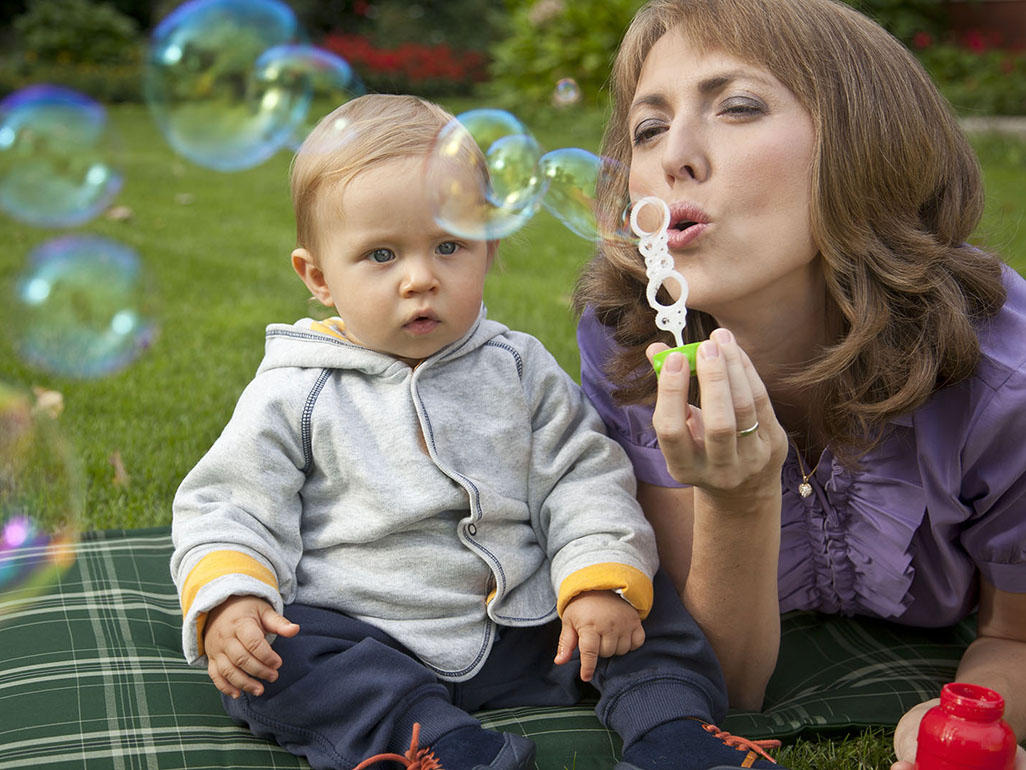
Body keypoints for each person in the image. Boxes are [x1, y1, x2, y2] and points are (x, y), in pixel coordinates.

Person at [170, 93, 790, 770]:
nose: (419, 279)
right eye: (380, 255)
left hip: (533, 627)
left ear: (487, 251)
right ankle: (437, 743)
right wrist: (231, 597)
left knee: (645, 597)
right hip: (371, 635)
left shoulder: (518, 368)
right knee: (271, 662)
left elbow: (581, 476)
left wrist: (592, 580)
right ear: (318, 276)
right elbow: (230, 504)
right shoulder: (297, 388)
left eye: (448, 246)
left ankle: (672, 729)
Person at [573, 0, 1026, 767]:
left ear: (866, 141)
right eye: (648, 129)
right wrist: (738, 499)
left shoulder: (999, 371)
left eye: (738, 107)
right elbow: (724, 683)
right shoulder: (631, 343)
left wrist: (962, 717)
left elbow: (1014, 634)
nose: (674, 155)